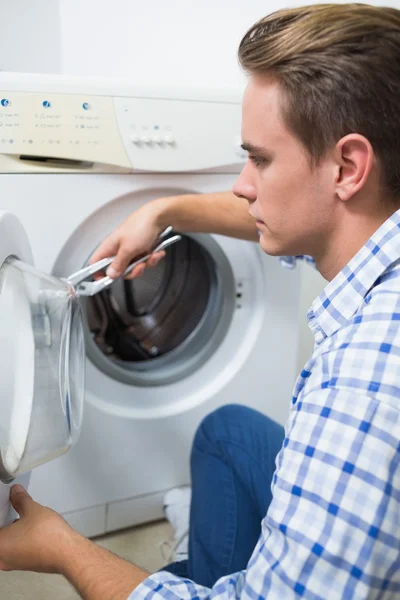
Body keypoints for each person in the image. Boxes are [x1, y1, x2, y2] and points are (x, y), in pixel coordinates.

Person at [1, 3, 400, 598]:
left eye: (260, 159)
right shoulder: (374, 237)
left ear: (348, 166)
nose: (241, 185)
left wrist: (62, 548)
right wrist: (162, 210)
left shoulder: (364, 383)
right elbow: (274, 220)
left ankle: (197, 582)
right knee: (227, 431)